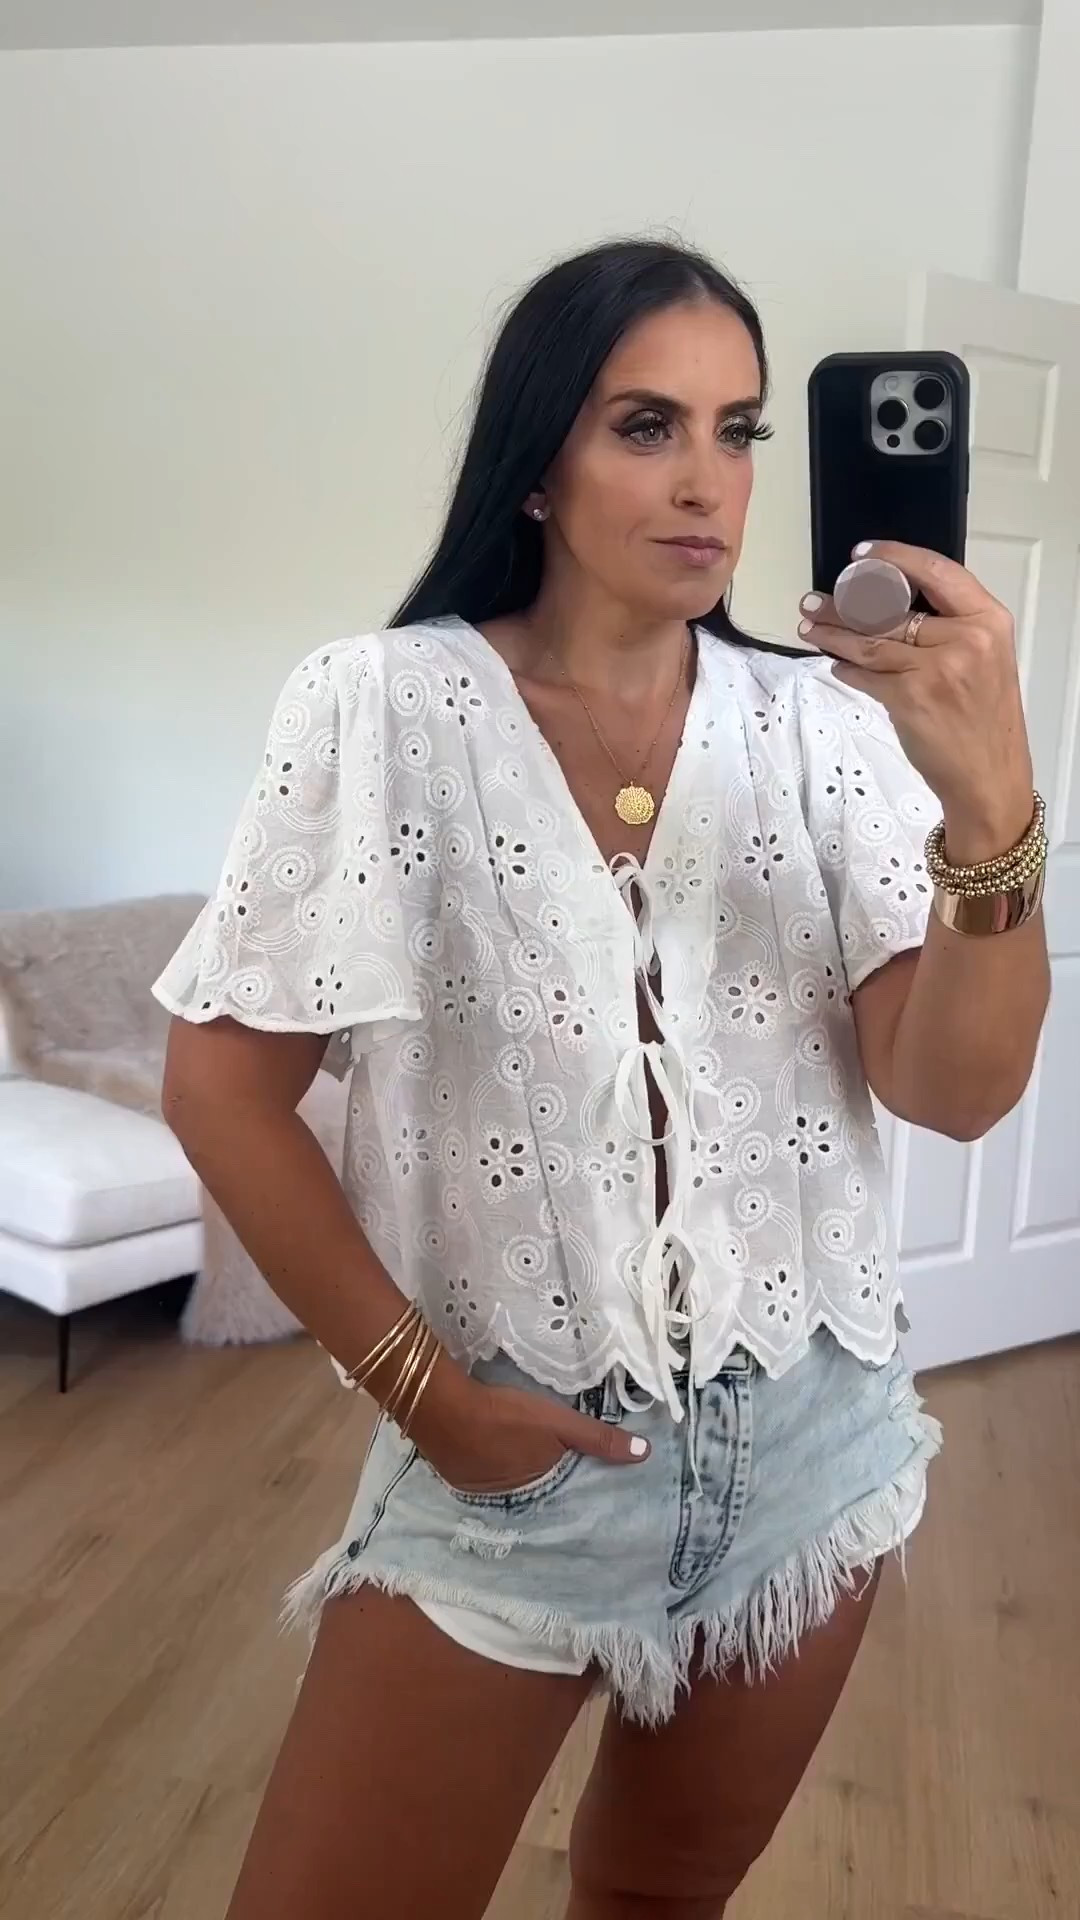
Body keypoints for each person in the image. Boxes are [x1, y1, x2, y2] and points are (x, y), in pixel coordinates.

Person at [156, 239, 1049, 1920]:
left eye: (740, 429)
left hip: (817, 1448)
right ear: (538, 465)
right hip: (512, 1457)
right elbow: (220, 1087)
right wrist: (425, 1395)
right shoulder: (384, 708)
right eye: (648, 425)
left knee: (658, 1897)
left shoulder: (825, 727)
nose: (711, 482)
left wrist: (991, 810)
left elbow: (958, 1089)